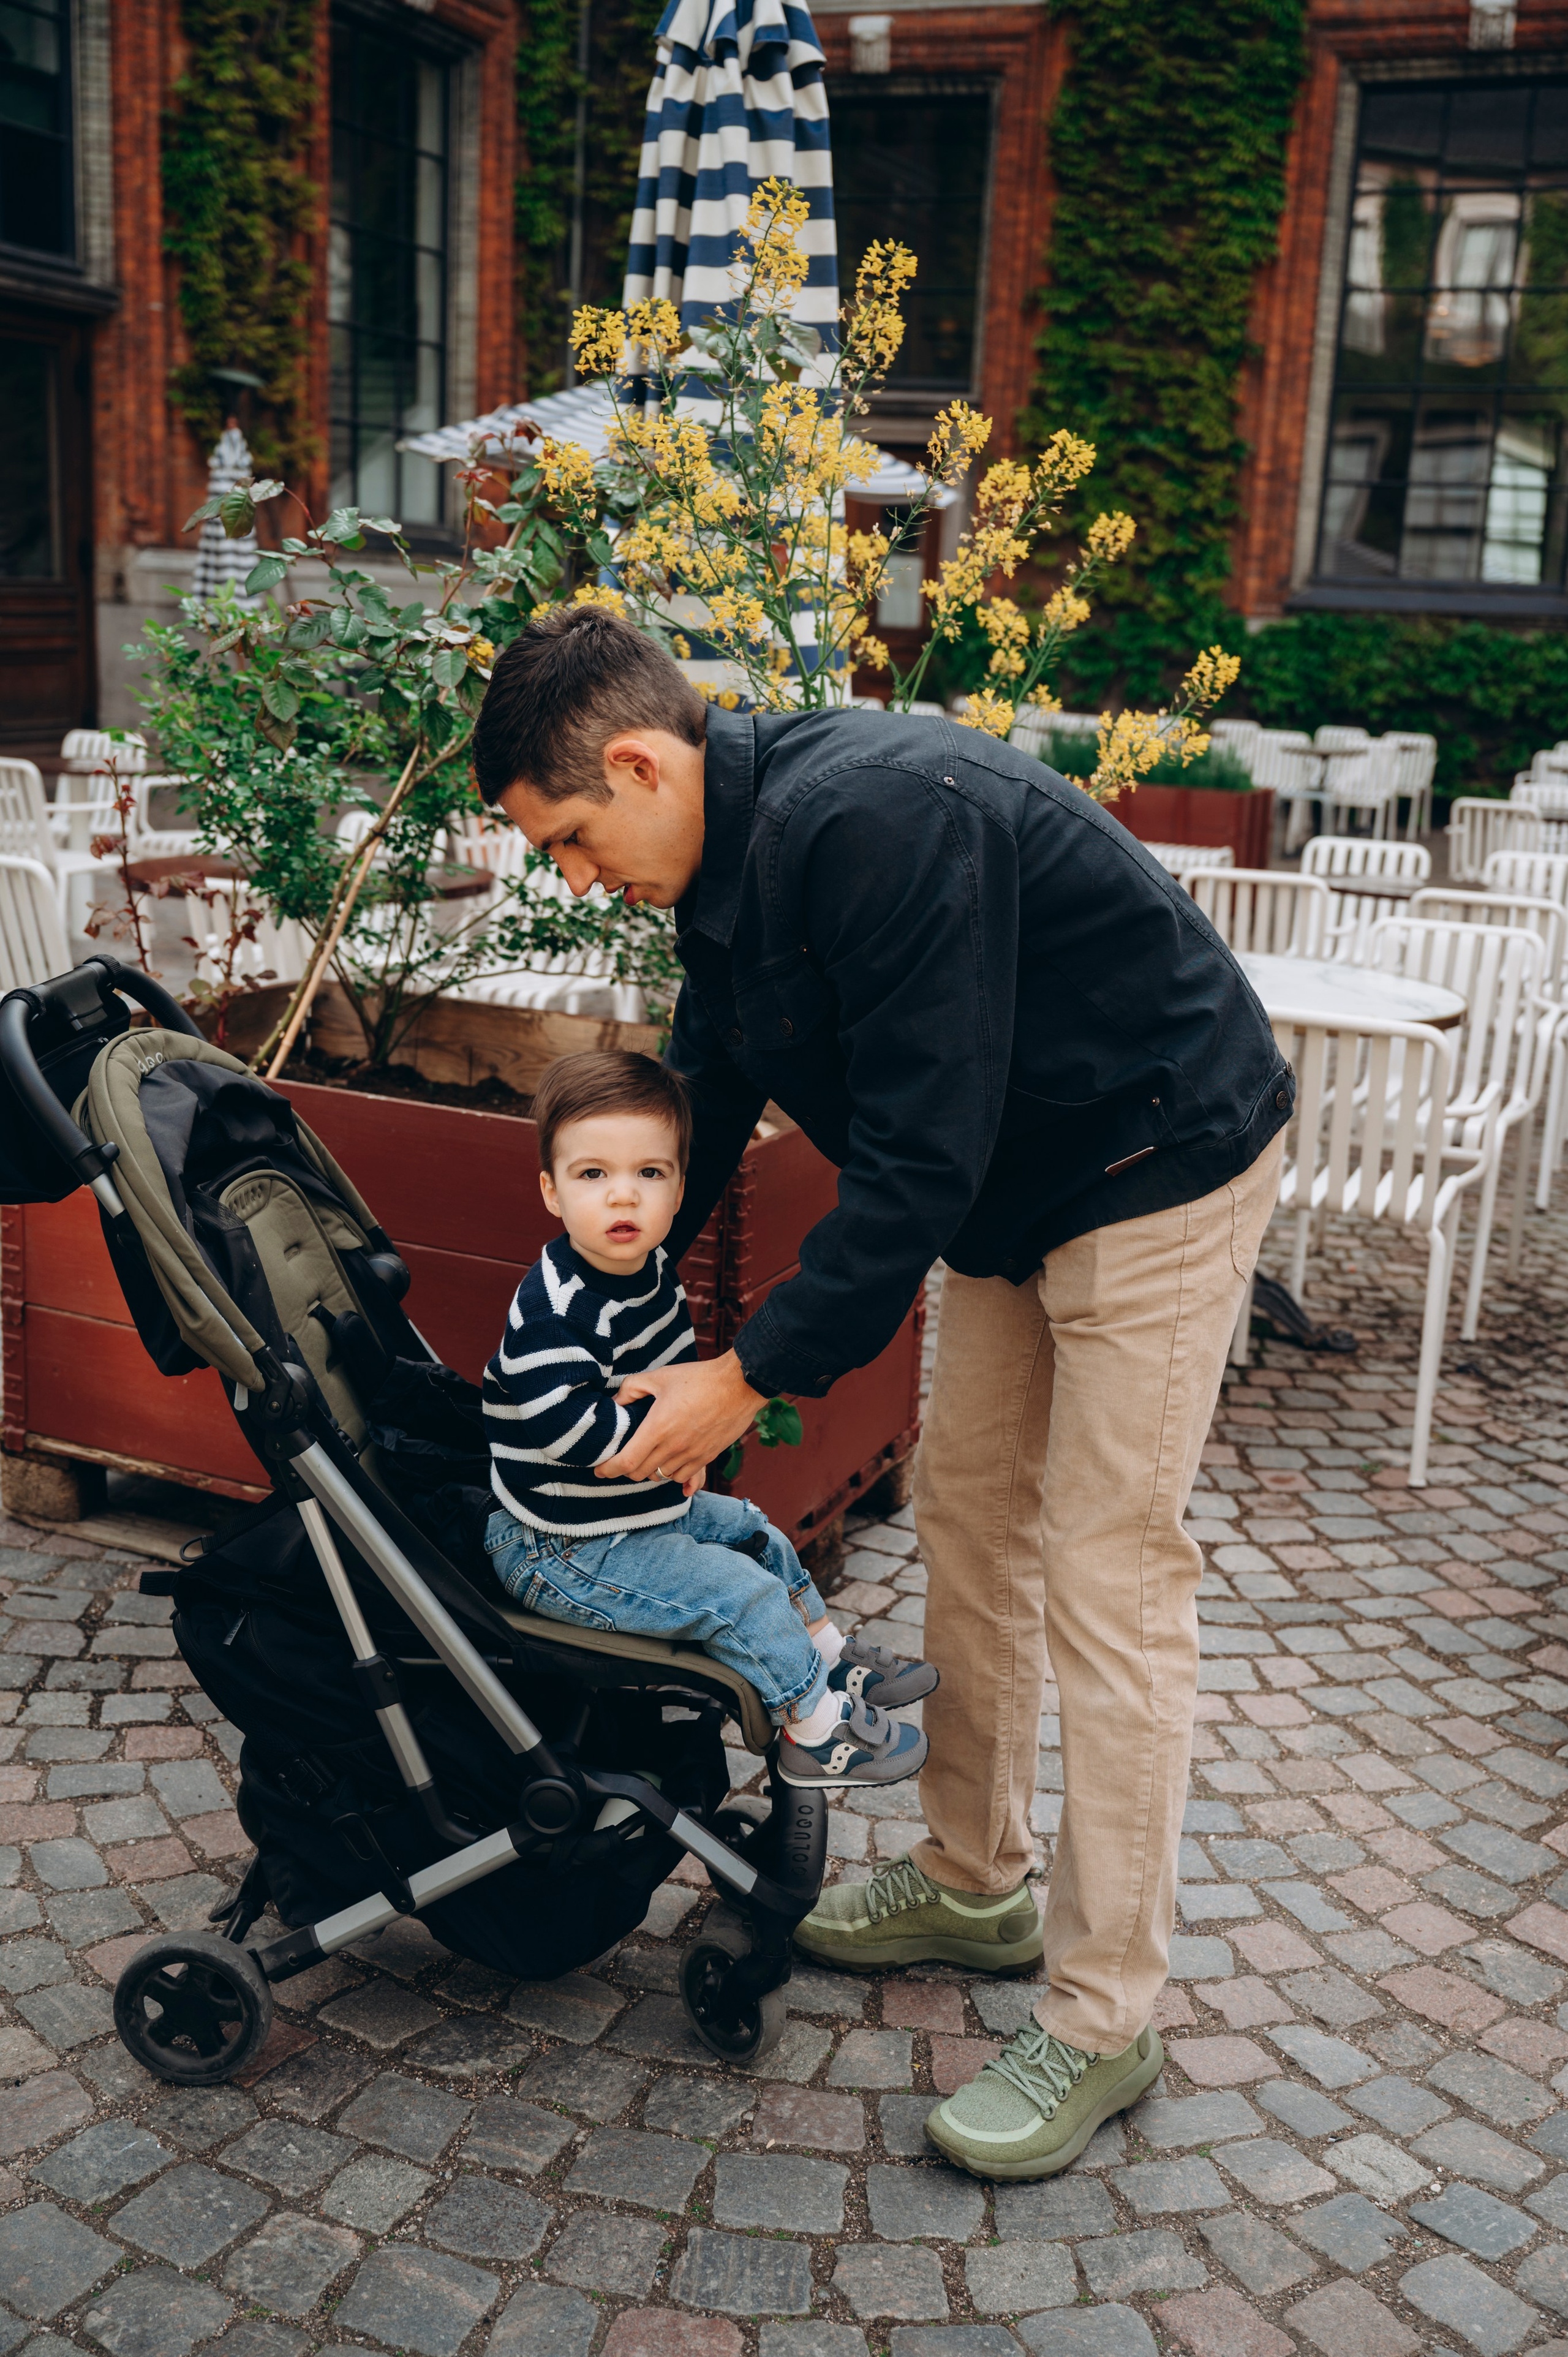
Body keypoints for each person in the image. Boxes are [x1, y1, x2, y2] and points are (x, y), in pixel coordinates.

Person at [472, 605, 1292, 2181]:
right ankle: (972, 1878)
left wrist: (749, 1377)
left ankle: (1105, 2014)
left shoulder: (875, 822)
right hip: (1012, 1185)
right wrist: (609, 1250)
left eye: (571, 838)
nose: (573, 875)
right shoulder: (716, 870)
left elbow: (915, 1151)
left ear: (639, 762)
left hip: (1160, 1152)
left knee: (1111, 1579)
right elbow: (706, 1097)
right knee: (975, 1521)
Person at [482, 1045, 935, 1788]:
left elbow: (673, 1376)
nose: (622, 1197)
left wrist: (689, 1441)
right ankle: (811, 1731)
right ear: (552, 1191)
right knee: (740, 1593)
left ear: (678, 1186)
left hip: (629, 1512)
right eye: (593, 1174)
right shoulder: (556, 1310)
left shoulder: (652, 1271)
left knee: (753, 1530)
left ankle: (826, 1656)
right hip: (560, 1548)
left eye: (648, 1173)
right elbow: (572, 1432)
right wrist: (665, 1447)